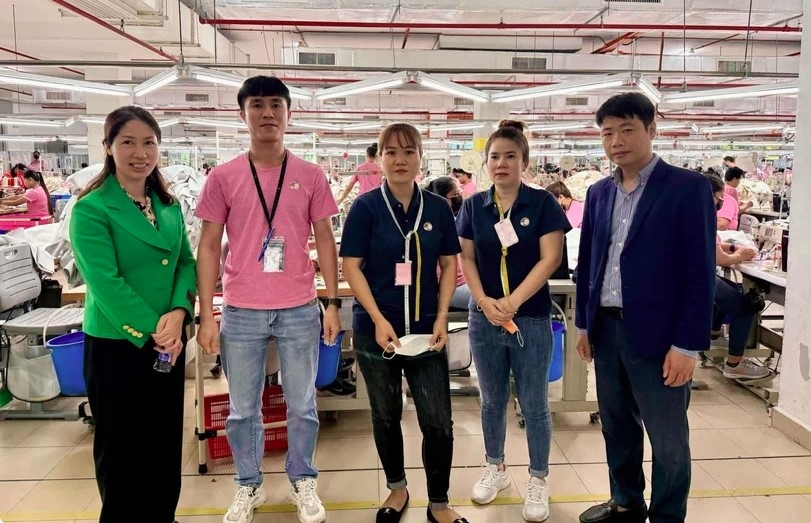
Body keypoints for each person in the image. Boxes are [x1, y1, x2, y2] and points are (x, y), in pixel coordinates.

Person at [194, 76, 341, 523]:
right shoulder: (223, 177)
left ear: (289, 113)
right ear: (243, 114)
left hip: (299, 307)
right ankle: (248, 484)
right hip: (241, 309)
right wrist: (207, 313)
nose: (267, 113)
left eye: (276, 104)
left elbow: (325, 239)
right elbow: (208, 245)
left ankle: (302, 479)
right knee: (243, 410)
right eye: (257, 104)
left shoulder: (310, 175)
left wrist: (332, 302)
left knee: (303, 404)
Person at [575, 93, 716, 523]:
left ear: (652, 130)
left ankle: (667, 515)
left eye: (627, 129)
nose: (616, 141)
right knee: (616, 425)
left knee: (667, 436)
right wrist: (583, 325)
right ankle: (626, 501)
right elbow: (590, 260)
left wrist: (687, 346)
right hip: (606, 329)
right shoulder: (599, 193)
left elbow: (700, 272)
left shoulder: (687, 188)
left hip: (661, 337)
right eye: (607, 133)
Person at [68, 106, 197, 523]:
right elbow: (105, 283)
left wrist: (179, 312)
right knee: (122, 452)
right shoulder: (92, 209)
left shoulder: (167, 205)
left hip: (168, 344)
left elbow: (185, 263)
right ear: (108, 146)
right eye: (128, 142)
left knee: (162, 446)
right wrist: (157, 329)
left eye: (148, 143)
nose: (140, 153)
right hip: (118, 345)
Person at [340, 123, 468, 523]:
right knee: (385, 414)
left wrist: (443, 316)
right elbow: (351, 267)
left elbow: (448, 265)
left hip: (427, 329)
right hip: (376, 331)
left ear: (420, 158)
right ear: (379, 159)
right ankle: (397, 489)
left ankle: (439, 503)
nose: (400, 160)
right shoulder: (365, 208)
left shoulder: (438, 208)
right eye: (391, 152)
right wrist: (378, 319)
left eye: (409, 151)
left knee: (438, 420)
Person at [457, 120, 570, 522]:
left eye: (510, 156)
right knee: (491, 401)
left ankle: (538, 478)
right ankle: (496, 468)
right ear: (485, 162)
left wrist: (513, 302)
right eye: (494, 156)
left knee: (535, 403)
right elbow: (466, 257)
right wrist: (484, 301)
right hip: (484, 318)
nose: (501, 163)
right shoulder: (474, 206)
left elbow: (551, 258)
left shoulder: (543, 204)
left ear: (525, 162)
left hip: (531, 319)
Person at [705, 173, 770, 380]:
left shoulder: (694, 213)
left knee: (732, 290)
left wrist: (734, 247)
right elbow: (720, 259)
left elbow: (714, 245)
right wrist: (739, 255)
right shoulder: (703, 217)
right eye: (719, 197)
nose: (720, 202)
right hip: (700, 278)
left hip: (693, 277)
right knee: (746, 307)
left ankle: (714, 335)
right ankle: (735, 364)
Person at [424, 176, 469, 310]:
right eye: (456, 194)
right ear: (443, 199)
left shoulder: (455, 219)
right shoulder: (437, 224)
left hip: (464, 282)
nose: (460, 197)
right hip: (455, 286)